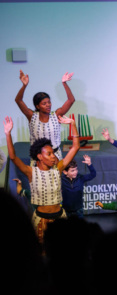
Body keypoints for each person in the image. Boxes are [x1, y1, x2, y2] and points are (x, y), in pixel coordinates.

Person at [3, 115, 80, 244]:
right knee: (42, 253)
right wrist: (7, 134)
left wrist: (72, 124)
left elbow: (75, 147)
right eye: (48, 154)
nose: (53, 157)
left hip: (60, 218)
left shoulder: (58, 168)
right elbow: (13, 157)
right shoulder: (31, 172)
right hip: (41, 220)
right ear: (39, 156)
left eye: (53, 153)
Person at [15, 70, 75, 160]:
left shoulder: (56, 115)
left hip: (55, 155)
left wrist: (64, 83)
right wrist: (24, 86)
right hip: (38, 156)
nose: (48, 105)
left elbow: (71, 100)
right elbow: (18, 100)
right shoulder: (32, 116)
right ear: (37, 106)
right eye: (44, 103)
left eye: (49, 102)